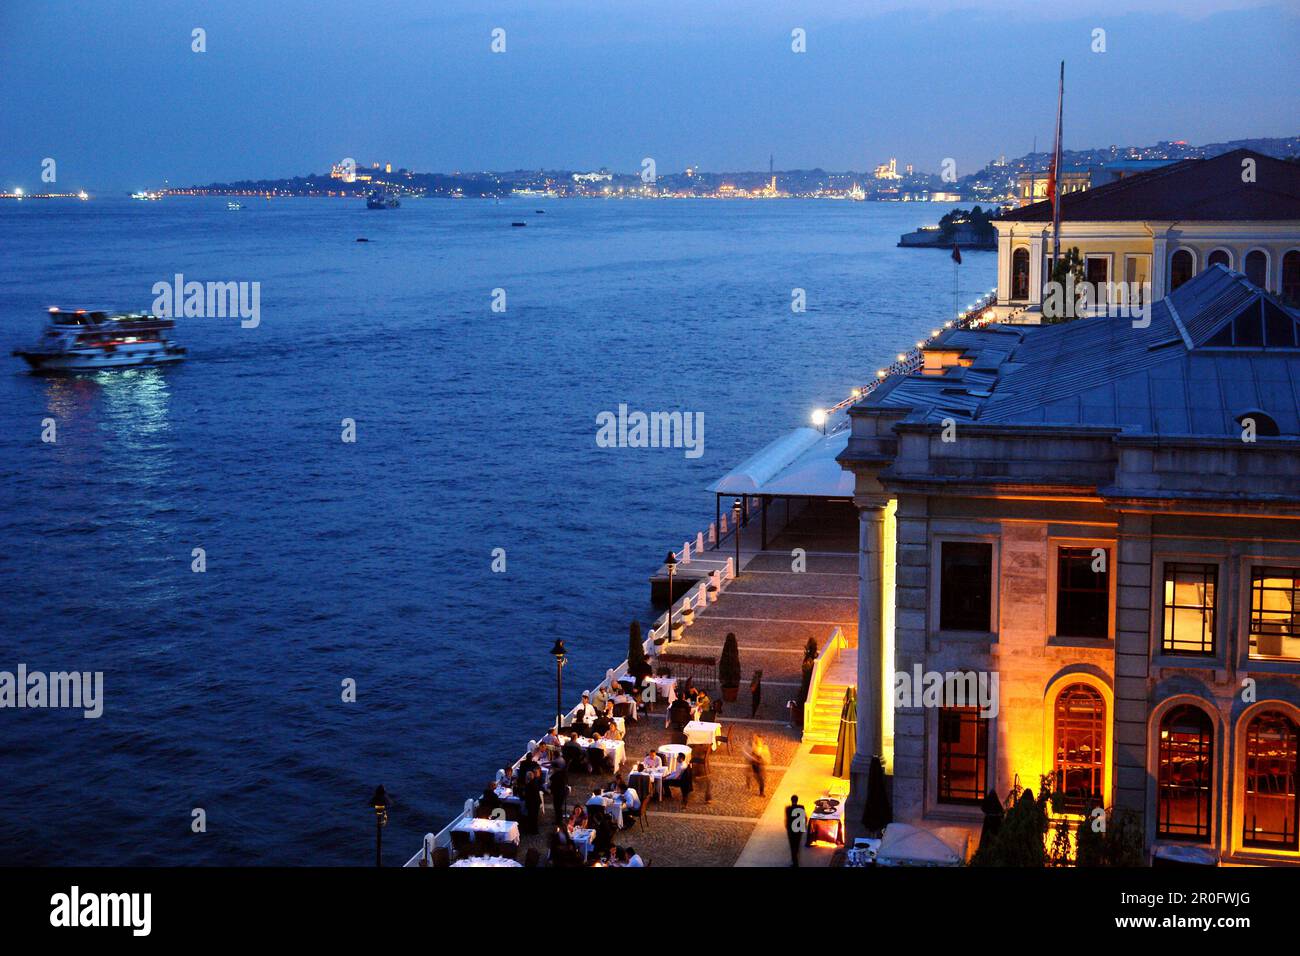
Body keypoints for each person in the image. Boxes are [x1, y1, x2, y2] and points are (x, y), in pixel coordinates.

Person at [785, 795, 806, 867]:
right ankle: (795, 859)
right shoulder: (801, 807)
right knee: (797, 845)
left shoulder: (788, 809)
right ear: (797, 800)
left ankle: (795, 863)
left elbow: (787, 820)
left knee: (792, 846)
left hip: (791, 830)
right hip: (799, 830)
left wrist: (788, 829)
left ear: (791, 800)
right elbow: (804, 818)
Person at [548, 756, 569, 826]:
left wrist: (549, 789)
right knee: (559, 808)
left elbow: (552, 785)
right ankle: (559, 820)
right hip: (563, 793)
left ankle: (558, 821)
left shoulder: (555, 776)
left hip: (557, 794)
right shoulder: (563, 774)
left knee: (557, 808)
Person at [522, 770, 543, 836]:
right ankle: (534, 830)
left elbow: (527, 796)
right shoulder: (535, 782)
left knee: (532, 817)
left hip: (532, 803)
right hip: (536, 802)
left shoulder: (529, 785)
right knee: (534, 817)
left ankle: (533, 830)